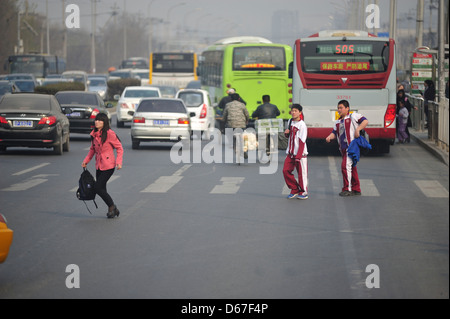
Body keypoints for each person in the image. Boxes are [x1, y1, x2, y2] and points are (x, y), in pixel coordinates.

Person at [82, 113, 123, 218]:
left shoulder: (110, 134)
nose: (97, 122)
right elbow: (92, 149)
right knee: (102, 190)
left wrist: (119, 162)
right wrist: (86, 160)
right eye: (96, 120)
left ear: (104, 123)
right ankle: (113, 209)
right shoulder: (94, 134)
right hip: (99, 166)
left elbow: (119, 148)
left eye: (100, 121)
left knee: (98, 188)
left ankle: (112, 206)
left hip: (109, 166)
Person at [325, 100, 368, 197]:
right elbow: (334, 133)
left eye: (341, 108)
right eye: (338, 108)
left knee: (345, 166)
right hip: (343, 149)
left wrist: (358, 129)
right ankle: (356, 189)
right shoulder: (337, 122)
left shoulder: (353, 116)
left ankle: (347, 188)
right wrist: (329, 137)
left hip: (351, 147)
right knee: (352, 168)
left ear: (347, 108)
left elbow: (365, 121)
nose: (339, 110)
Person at [283, 104, 308, 200]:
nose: (293, 112)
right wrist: (286, 134)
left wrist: (298, 156)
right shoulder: (290, 121)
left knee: (302, 174)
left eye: (295, 111)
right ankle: (294, 189)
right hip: (290, 153)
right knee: (285, 171)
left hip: (300, 154)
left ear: (300, 113)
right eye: (292, 111)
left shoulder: (302, 125)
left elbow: (302, 141)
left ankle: (303, 192)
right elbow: (289, 137)